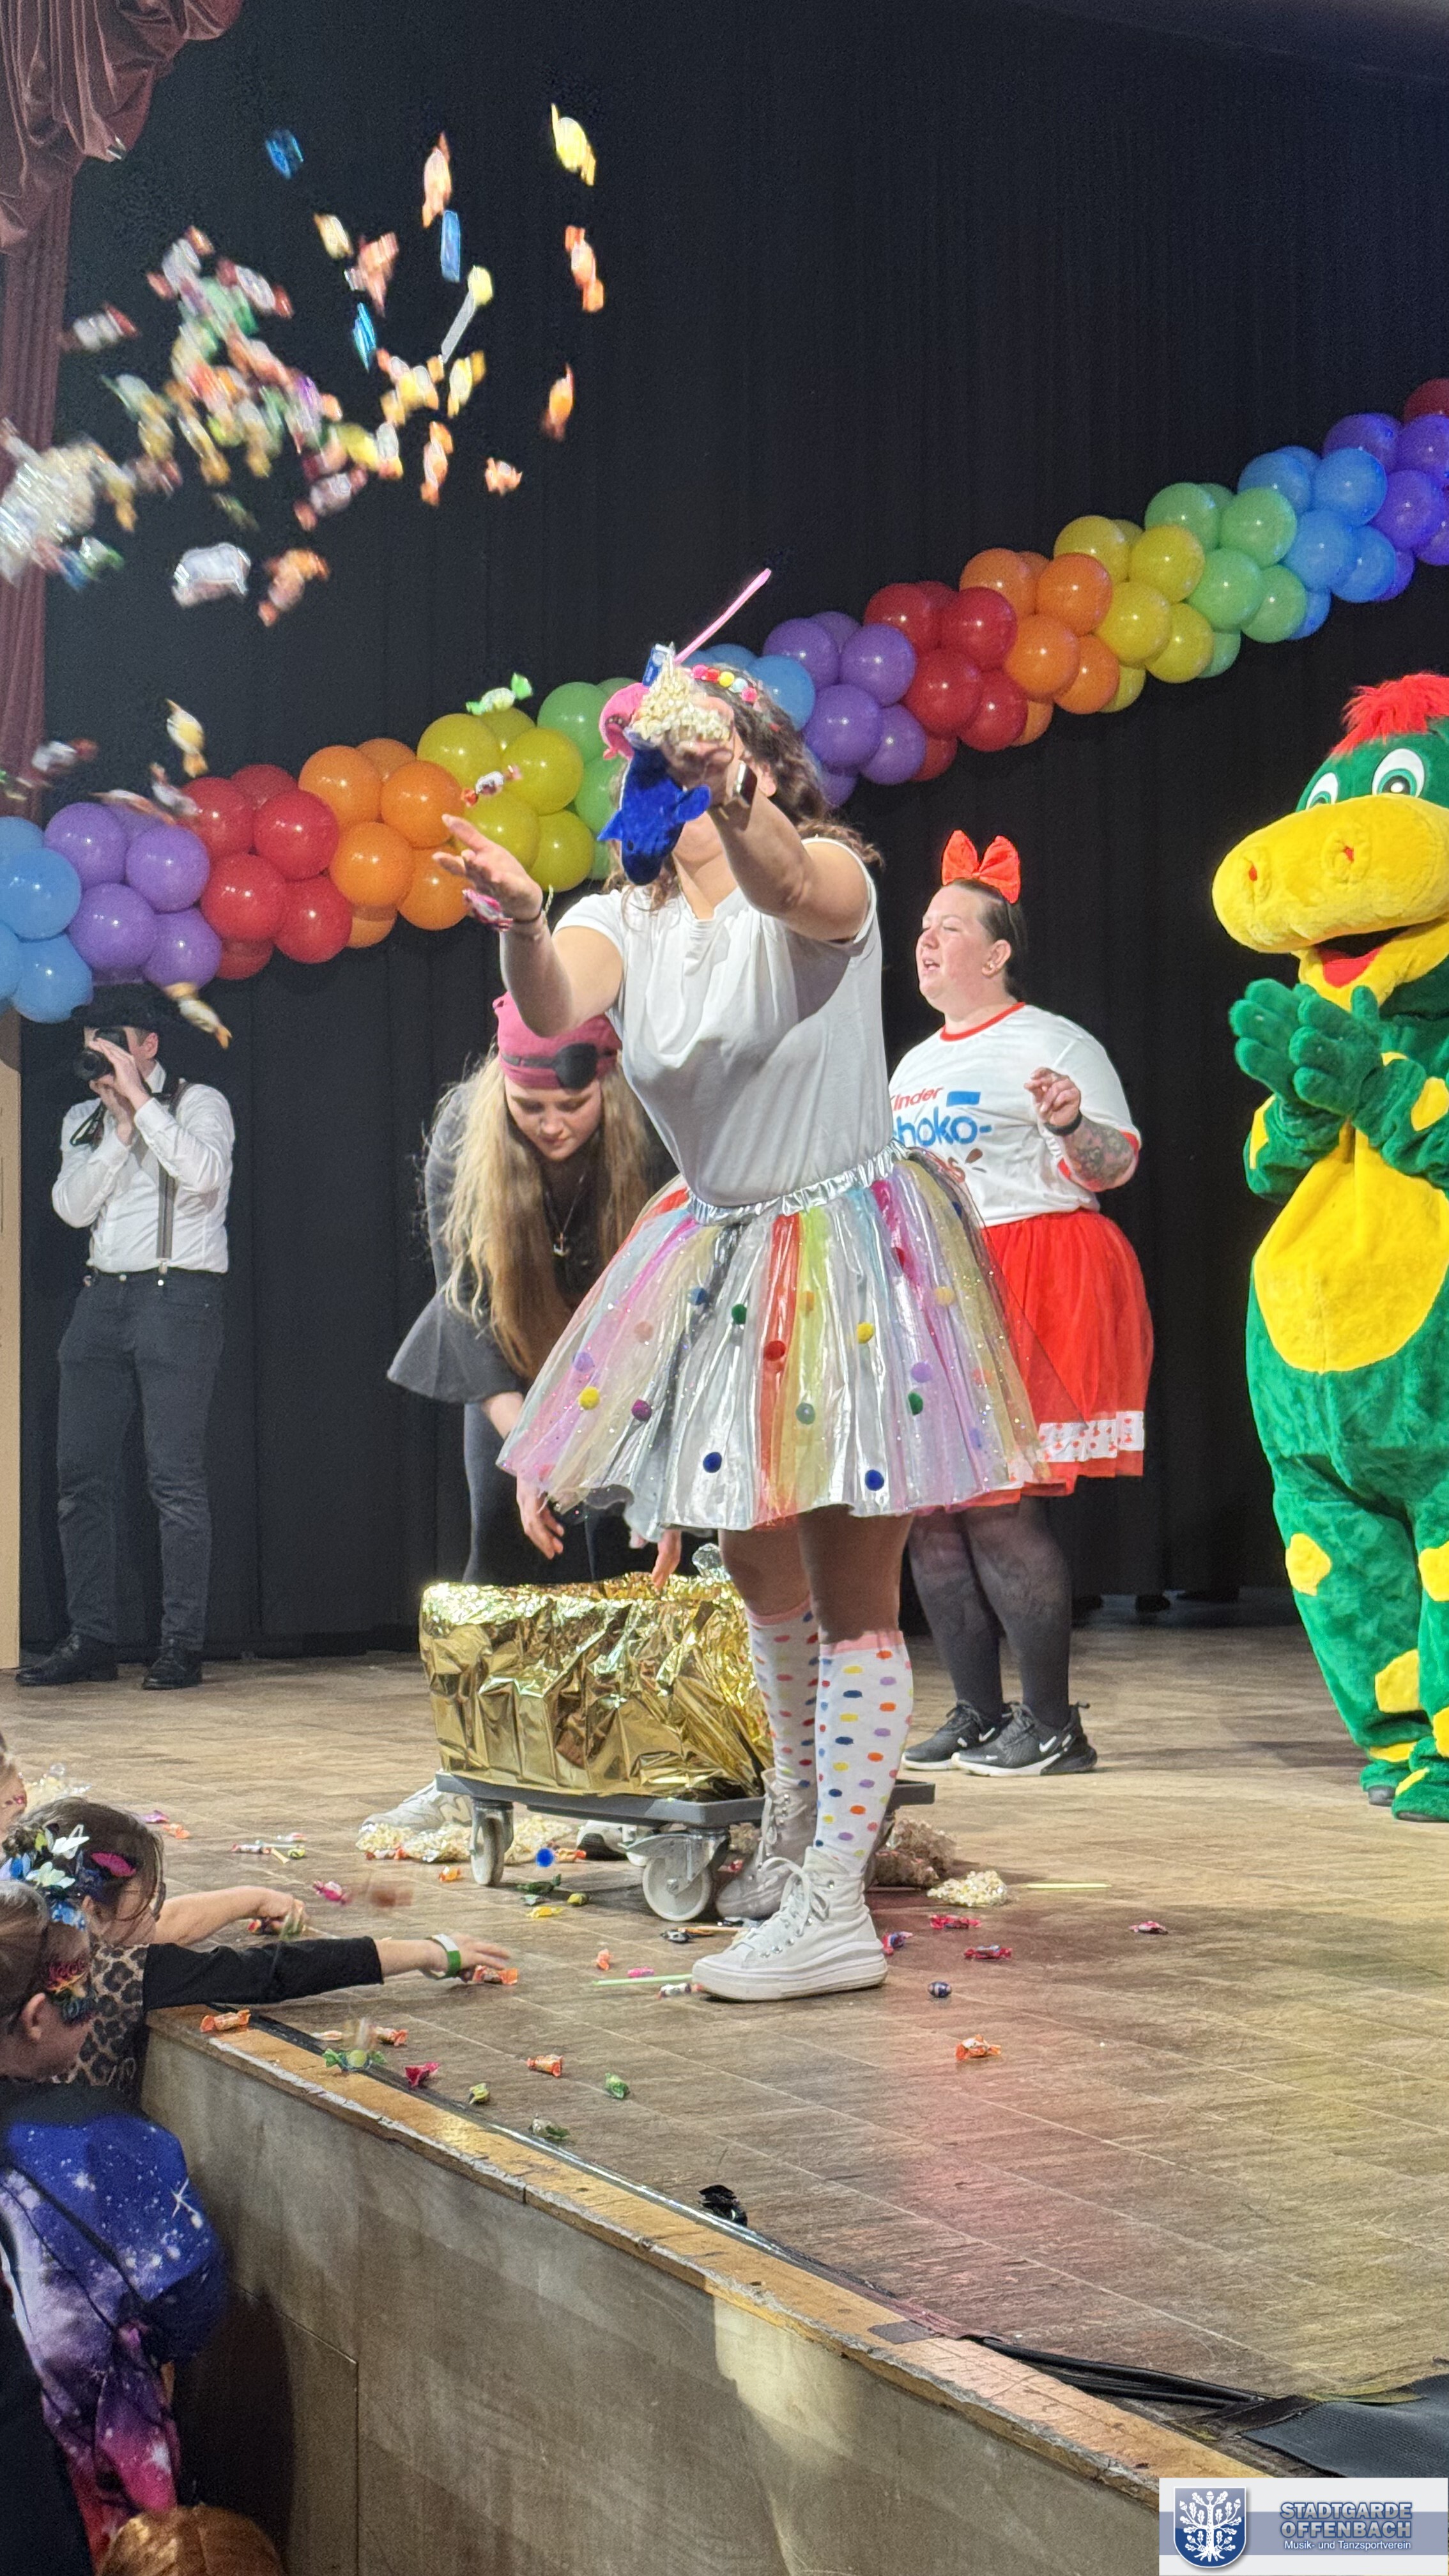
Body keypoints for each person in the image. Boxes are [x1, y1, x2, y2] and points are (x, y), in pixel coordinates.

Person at [437, 658, 1043, 2002]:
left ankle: (833, 1900)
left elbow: (794, 891)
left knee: (852, 1587)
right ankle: (793, 1827)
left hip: (847, 1250)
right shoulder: (625, 917)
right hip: (721, 1254)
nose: (668, 783)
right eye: (659, 767)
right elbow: (554, 1000)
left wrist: (735, 792)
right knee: (761, 1574)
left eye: (700, 758)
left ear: (757, 762)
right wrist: (524, 920)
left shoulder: (829, 875)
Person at [891, 831, 1152, 1778]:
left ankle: (1052, 1724)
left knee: (997, 1509)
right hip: (940, 1286)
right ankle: (977, 1710)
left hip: (1034, 1271)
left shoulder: (1053, 1041)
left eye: (950, 928)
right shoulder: (912, 1065)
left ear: (998, 952)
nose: (926, 941)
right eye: (924, 927)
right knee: (932, 1513)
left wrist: (1071, 1123)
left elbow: (1113, 1168)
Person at [390, 994, 677, 1584]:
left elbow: (675, 1302)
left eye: (572, 1105)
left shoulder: (654, 1131)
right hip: (511, 1348)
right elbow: (465, 1303)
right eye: (529, 1107)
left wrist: (661, 1463)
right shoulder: (462, 1134)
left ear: (608, 1086)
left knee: (633, 1538)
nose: (552, 1125)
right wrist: (531, 1454)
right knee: (503, 1534)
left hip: (627, 1357)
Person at [0, 1876, 227, 2560]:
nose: (95, 2010)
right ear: (36, 2017)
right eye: (83, 1993)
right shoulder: (102, 2140)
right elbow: (190, 2295)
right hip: (71, 2478)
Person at [19, 988, 234, 1694]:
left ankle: (181, 1644)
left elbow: (205, 1175)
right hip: (101, 1298)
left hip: (179, 1297)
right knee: (79, 1476)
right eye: (91, 1041)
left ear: (148, 1045)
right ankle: (91, 1638)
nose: (100, 1053)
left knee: (173, 1478)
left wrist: (141, 1105)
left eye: (113, 1040)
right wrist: (116, 1129)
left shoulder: (199, 1103)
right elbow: (69, 1207)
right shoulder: (83, 1118)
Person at [4, 1800, 510, 2101]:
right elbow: (276, 1971)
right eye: (146, 1901)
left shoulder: (19, 1934)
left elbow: (168, 1924)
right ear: (93, 1910)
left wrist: (252, 1898)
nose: (155, 1917)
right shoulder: (125, 1973)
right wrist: (428, 1952)